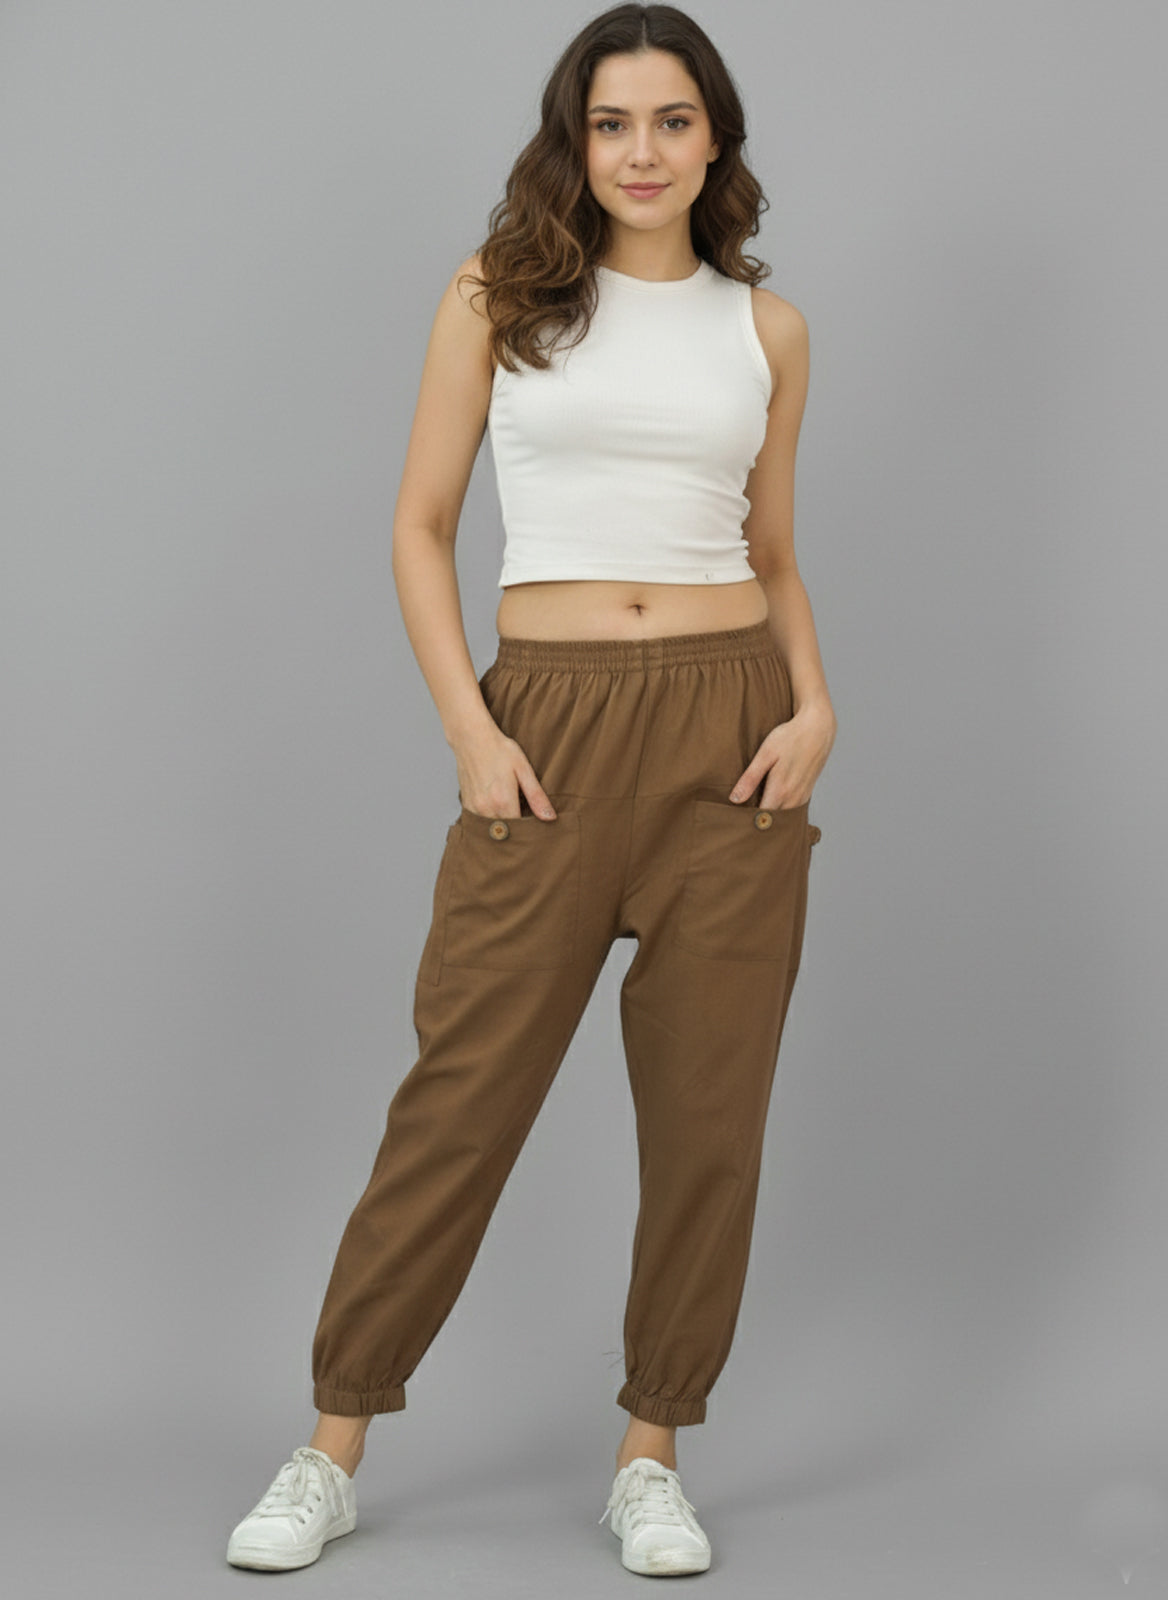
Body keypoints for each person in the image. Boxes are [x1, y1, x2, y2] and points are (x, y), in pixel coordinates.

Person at [226, 1, 835, 1579]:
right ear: (575, 141)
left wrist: (817, 707)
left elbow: (772, 553)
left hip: (733, 737)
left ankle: (652, 1455)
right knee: (461, 1101)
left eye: (673, 121)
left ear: (716, 139)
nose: (642, 151)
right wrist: (469, 729)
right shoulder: (498, 297)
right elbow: (421, 525)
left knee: (709, 1122)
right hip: (546, 731)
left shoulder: (766, 333)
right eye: (610, 123)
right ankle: (330, 1444)